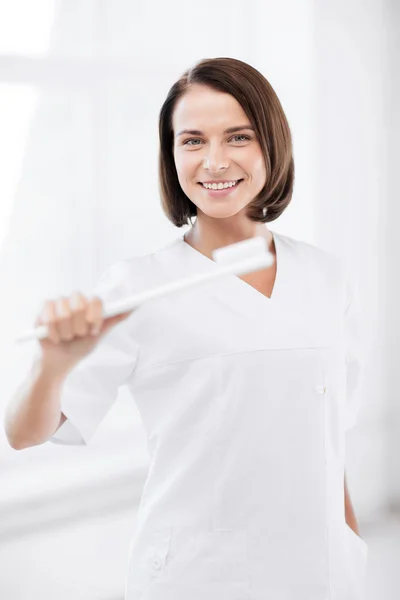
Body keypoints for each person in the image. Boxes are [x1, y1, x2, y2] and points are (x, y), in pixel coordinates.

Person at [5, 57, 368, 599]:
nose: (215, 161)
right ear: (171, 154)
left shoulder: (326, 276)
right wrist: (51, 365)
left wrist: (350, 549)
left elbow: (327, 441)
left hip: (323, 577)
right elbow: (23, 433)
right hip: (198, 577)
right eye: (192, 141)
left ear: (272, 143)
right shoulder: (135, 287)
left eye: (238, 136)